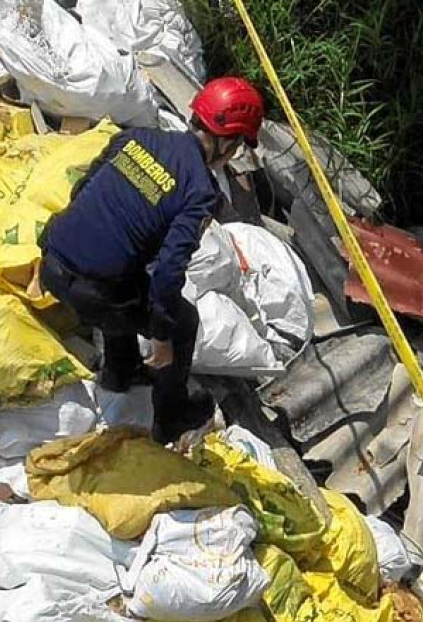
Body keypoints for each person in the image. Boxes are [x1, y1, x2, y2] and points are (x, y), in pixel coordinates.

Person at [39, 76, 265, 444]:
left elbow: (82, 189)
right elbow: (168, 274)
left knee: (128, 280)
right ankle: (171, 417)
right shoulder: (199, 191)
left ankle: (120, 370)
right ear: (228, 141)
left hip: (50, 259)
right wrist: (161, 338)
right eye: (238, 145)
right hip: (91, 292)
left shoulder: (136, 138)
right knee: (182, 320)